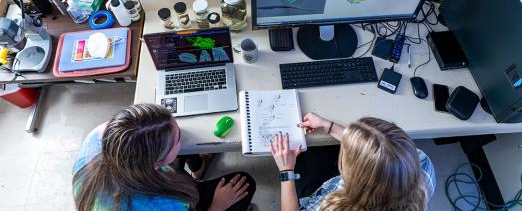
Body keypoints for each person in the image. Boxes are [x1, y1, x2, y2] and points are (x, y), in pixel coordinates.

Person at [72, 103, 256, 211]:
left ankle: (198, 170)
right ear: (157, 163)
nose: (181, 137)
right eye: (178, 141)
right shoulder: (165, 204)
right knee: (246, 182)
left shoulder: (98, 135)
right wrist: (217, 206)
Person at [270, 113, 435, 211]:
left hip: (323, 192)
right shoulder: (422, 164)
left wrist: (286, 171)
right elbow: (381, 147)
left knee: (305, 157)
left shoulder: (331, 207)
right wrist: (329, 126)